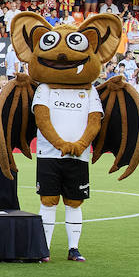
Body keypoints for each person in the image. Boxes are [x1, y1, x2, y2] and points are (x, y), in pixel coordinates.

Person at [34, 63, 103, 263]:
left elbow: (95, 120)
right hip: (48, 154)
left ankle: (74, 248)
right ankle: (43, 248)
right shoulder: (44, 88)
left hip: (78, 156)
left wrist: (81, 144)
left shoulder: (89, 91)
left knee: (74, 202)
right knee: (48, 201)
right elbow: (41, 118)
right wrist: (59, 143)